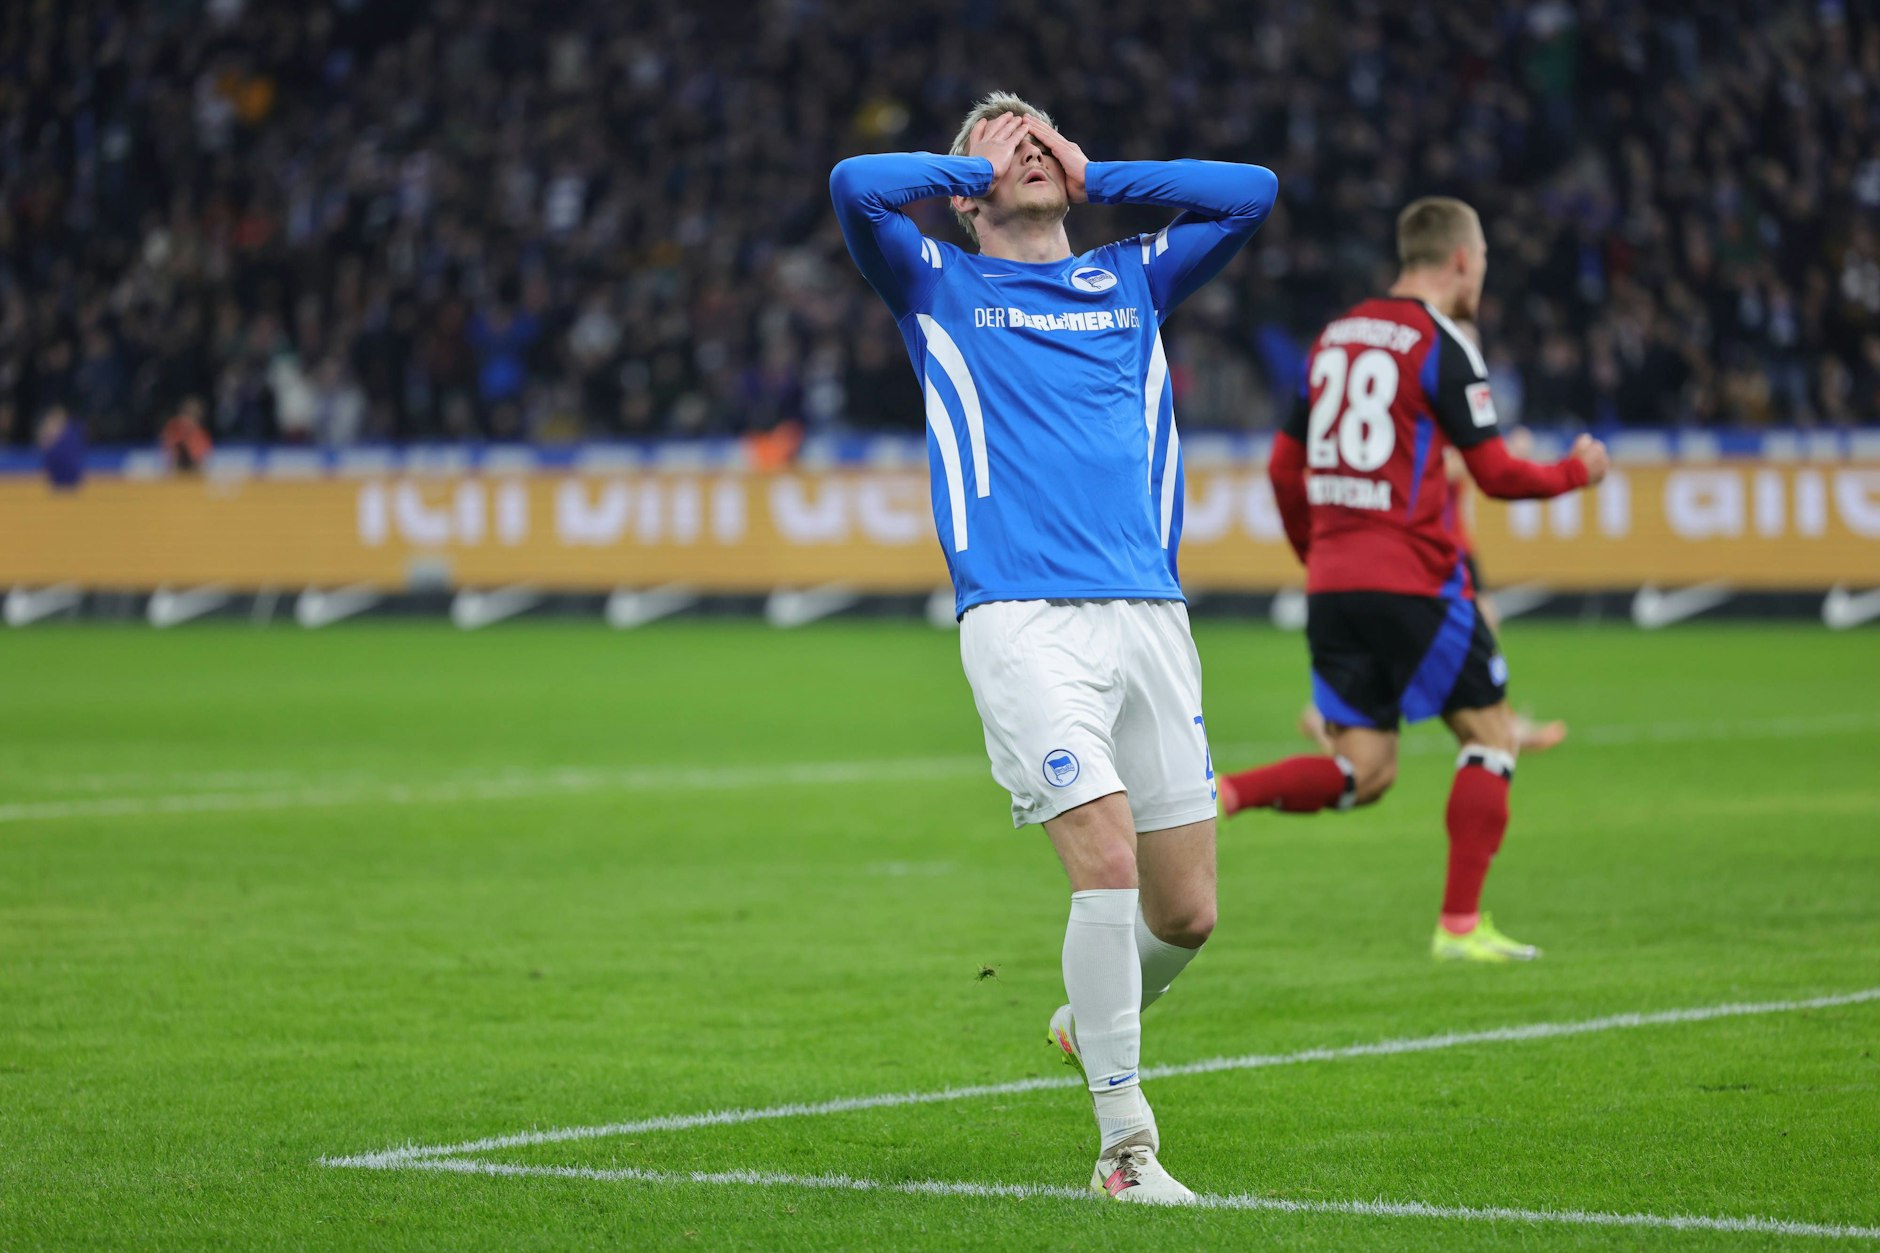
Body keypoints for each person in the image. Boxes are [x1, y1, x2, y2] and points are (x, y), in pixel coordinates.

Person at [830, 95, 1276, 1203]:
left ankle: (1089, 1019)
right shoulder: (935, 280)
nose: (1025, 142)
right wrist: (961, 165)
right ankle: (1124, 1151)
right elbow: (851, 183)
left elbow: (1251, 192)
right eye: (1002, 134)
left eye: (1040, 130)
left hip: (1150, 616)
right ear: (960, 179)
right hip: (1022, 618)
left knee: (1184, 914)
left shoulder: (1129, 275)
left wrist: (1097, 169)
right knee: (1106, 859)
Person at [1219, 197, 1607, 963]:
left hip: (1333, 583)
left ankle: (1219, 795)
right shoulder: (1445, 342)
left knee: (1363, 770)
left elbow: (1281, 464)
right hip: (1413, 579)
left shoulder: (1334, 336)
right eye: (1484, 264)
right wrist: (1575, 471)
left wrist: (1318, 552)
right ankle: (1460, 926)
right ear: (1462, 260)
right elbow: (1494, 473)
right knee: (1493, 736)